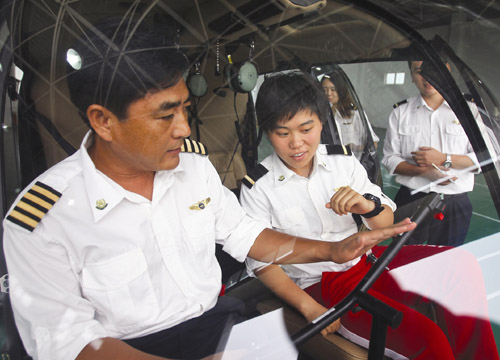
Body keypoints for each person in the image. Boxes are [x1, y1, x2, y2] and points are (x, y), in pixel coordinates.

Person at [1, 20, 416, 360]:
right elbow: (65, 342)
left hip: (218, 326)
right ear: (103, 121)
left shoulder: (194, 168)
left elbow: (246, 236)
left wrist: (330, 251)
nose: (183, 129)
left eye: (185, 109)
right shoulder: (44, 218)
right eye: (165, 115)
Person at [240, 72, 499, 359]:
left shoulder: (342, 162)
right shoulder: (258, 187)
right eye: (283, 133)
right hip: (321, 283)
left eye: (306, 128)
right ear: (267, 132)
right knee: (429, 341)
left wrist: (368, 207)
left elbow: (384, 221)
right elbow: (261, 262)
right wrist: (307, 307)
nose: (297, 143)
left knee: (459, 263)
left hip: (370, 261)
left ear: (321, 121)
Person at [382, 60, 480, 247]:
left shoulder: (469, 111)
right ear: (411, 75)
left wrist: (445, 159)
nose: (427, 77)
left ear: (446, 71)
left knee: (447, 258)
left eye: (434, 70)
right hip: (412, 197)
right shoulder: (401, 112)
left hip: (454, 201)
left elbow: (483, 158)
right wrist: (423, 172)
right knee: (403, 256)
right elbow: (389, 158)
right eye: (419, 71)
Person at [320, 70, 379, 159]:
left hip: (352, 163)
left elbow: (374, 144)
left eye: (333, 89)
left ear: (341, 90)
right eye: (325, 90)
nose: (328, 93)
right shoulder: (321, 113)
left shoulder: (355, 113)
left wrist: (354, 147)